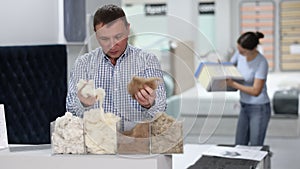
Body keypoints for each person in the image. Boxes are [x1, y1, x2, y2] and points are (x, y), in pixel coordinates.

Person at [66, 4, 167, 128]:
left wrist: (149, 105)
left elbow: (161, 108)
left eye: (118, 37)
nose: (112, 45)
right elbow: (70, 110)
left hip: (136, 142)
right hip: (97, 141)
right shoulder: (83, 64)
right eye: (104, 38)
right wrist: (83, 103)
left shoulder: (147, 61)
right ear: (96, 35)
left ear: (128, 29)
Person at [226, 31, 271, 146]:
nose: (239, 52)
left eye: (242, 51)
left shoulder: (261, 63)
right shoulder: (239, 54)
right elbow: (228, 67)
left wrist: (233, 84)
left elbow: (256, 91)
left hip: (259, 108)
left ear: (251, 50)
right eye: (238, 48)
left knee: (255, 147)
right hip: (244, 106)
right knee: (240, 145)